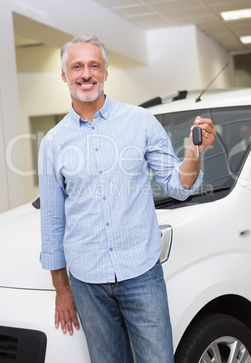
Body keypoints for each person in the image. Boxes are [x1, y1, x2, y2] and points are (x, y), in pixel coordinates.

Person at [38, 33, 216, 363]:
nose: (86, 74)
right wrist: (62, 289)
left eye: (94, 65)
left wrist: (193, 153)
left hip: (141, 272)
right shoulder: (53, 142)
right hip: (86, 281)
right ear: (64, 75)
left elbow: (179, 185)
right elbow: (51, 219)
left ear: (106, 72)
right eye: (76, 66)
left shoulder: (140, 122)